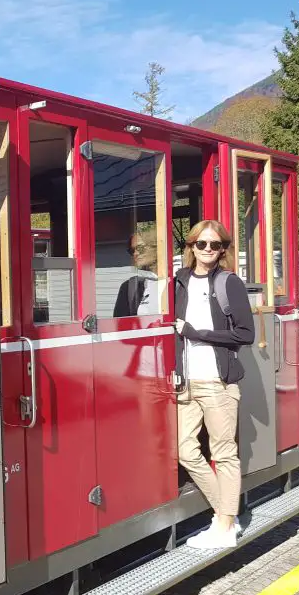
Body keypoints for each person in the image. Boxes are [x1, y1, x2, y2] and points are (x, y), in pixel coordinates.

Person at [174, 220, 255, 549]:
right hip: (187, 382)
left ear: (223, 249)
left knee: (224, 455)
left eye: (214, 244)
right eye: (201, 243)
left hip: (218, 382)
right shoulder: (180, 281)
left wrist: (197, 333)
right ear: (191, 246)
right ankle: (227, 514)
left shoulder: (228, 282)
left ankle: (223, 526)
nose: (207, 250)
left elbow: (246, 334)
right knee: (186, 451)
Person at [113, 232, 159, 317]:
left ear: (156, 248)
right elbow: (121, 325)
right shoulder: (129, 287)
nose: (135, 254)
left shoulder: (177, 283)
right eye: (132, 250)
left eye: (140, 248)